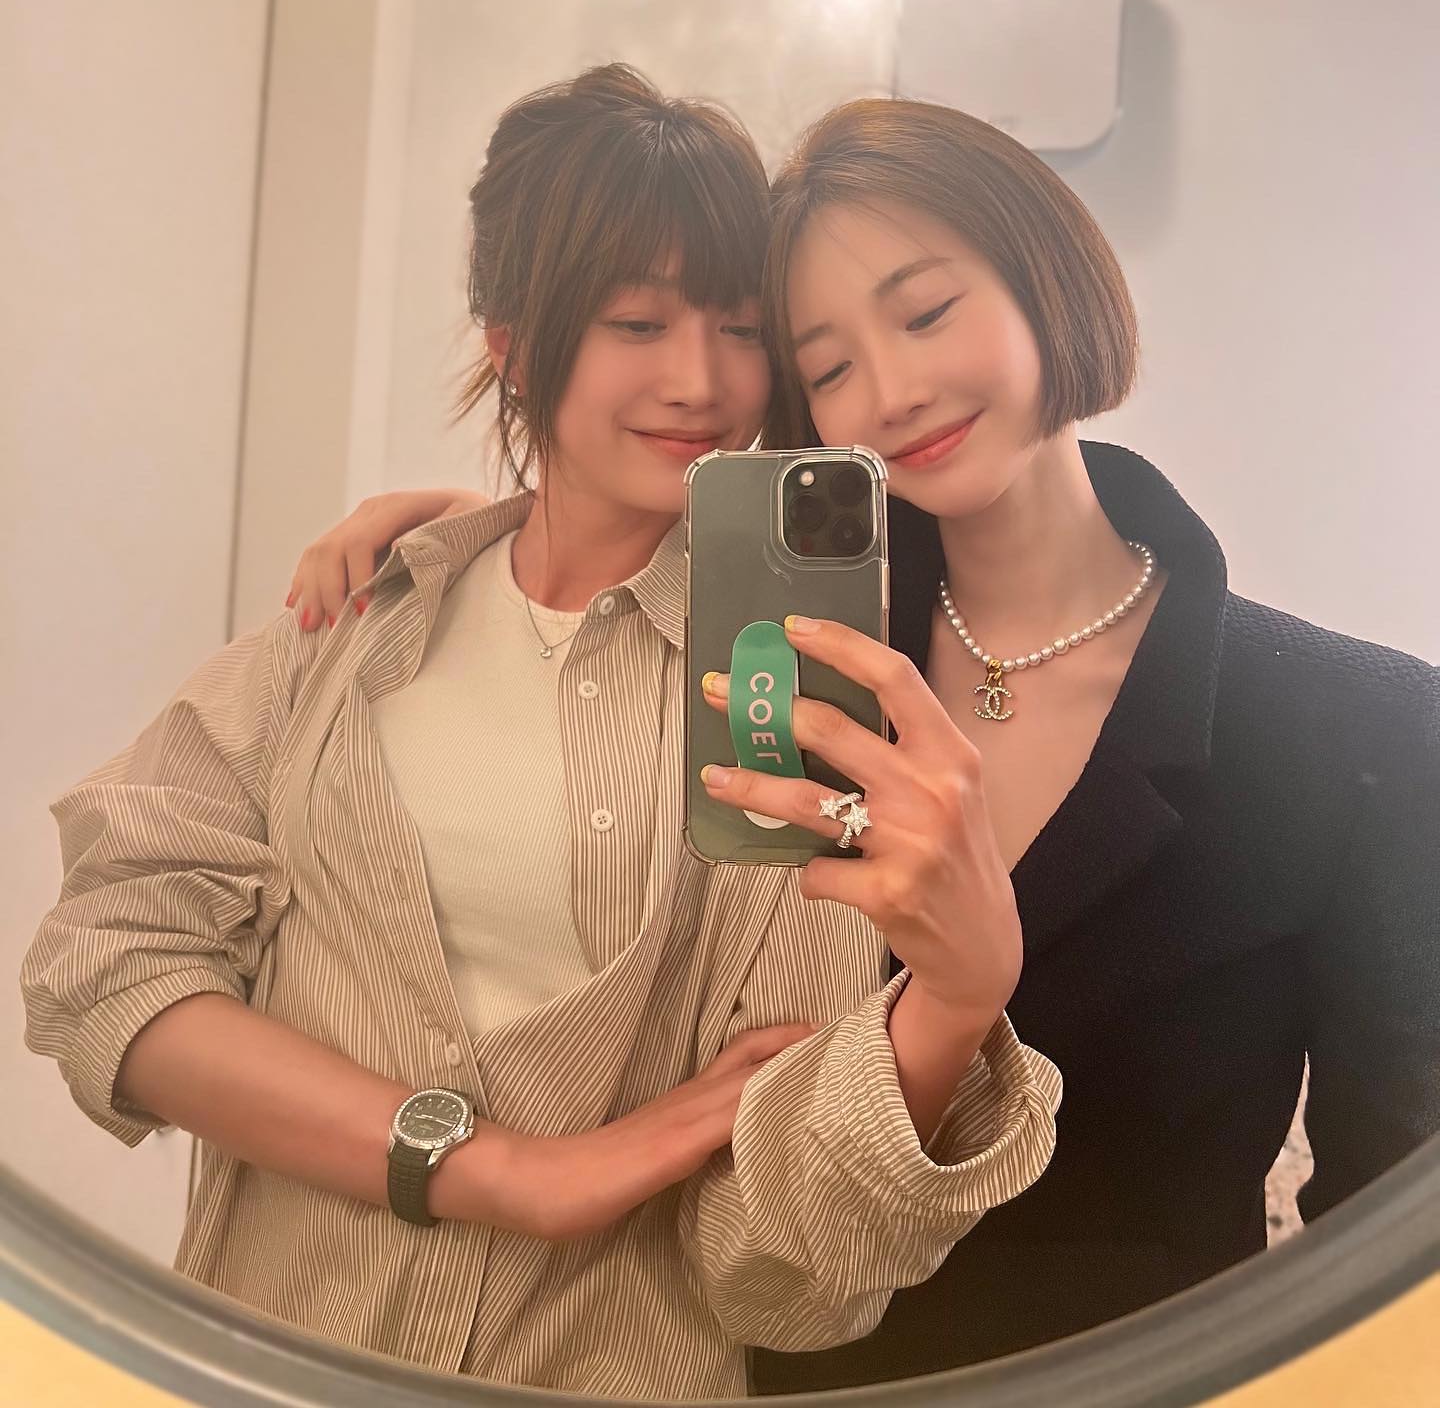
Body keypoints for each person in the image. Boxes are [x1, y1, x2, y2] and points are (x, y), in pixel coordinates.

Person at [303, 93, 1439, 1389]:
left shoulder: (1358, 731)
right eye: (829, 367)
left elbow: (1390, 1248)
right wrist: (476, 539)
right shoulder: (774, 660)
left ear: (1044, 279)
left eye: (927, 312)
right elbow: (588, 594)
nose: (893, 393)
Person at [20, 67, 1059, 1401]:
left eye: (742, 330)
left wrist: (941, 1023)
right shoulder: (352, 629)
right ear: (513, 345)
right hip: (256, 1366)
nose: (699, 380)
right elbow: (105, 966)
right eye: (636, 322)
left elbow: (780, 1274)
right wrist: (505, 1171)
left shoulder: (789, 700)